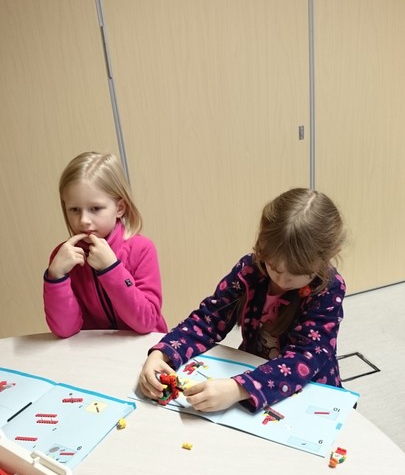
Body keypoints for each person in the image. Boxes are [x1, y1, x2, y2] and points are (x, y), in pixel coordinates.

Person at [138, 187, 346, 414]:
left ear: (326, 257)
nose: (282, 280)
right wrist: (163, 354)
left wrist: (240, 388)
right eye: (274, 267)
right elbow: (209, 319)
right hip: (253, 374)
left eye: (296, 274)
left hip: (310, 391)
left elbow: (305, 358)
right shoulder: (251, 269)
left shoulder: (329, 288)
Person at [43, 151, 167, 338]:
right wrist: (56, 277)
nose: (83, 220)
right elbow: (65, 330)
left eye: (95, 209)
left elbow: (146, 321)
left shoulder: (141, 249)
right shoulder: (64, 257)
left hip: (144, 348)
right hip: (93, 351)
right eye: (74, 209)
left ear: (119, 208)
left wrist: (111, 269)